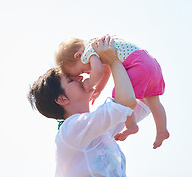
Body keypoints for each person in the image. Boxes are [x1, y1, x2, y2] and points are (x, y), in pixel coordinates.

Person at [28, 36, 150, 177]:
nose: (80, 77)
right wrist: (113, 60)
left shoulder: (99, 130)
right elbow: (126, 102)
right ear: (62, 99)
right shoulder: (70, 130)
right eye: (71, 79)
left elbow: (144, 99)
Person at [55, 35, 169, 149]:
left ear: (78, 56)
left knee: (119, 95)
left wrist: (88, 83)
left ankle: (131, 125)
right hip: (150, 63)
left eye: (82, 71)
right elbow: (106, 70)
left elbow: (98, 71)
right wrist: (99, 89)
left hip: (138, 65)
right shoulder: (98, 47)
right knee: (154, 103)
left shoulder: (88, 53)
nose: (87, 73)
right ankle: (162, 130)